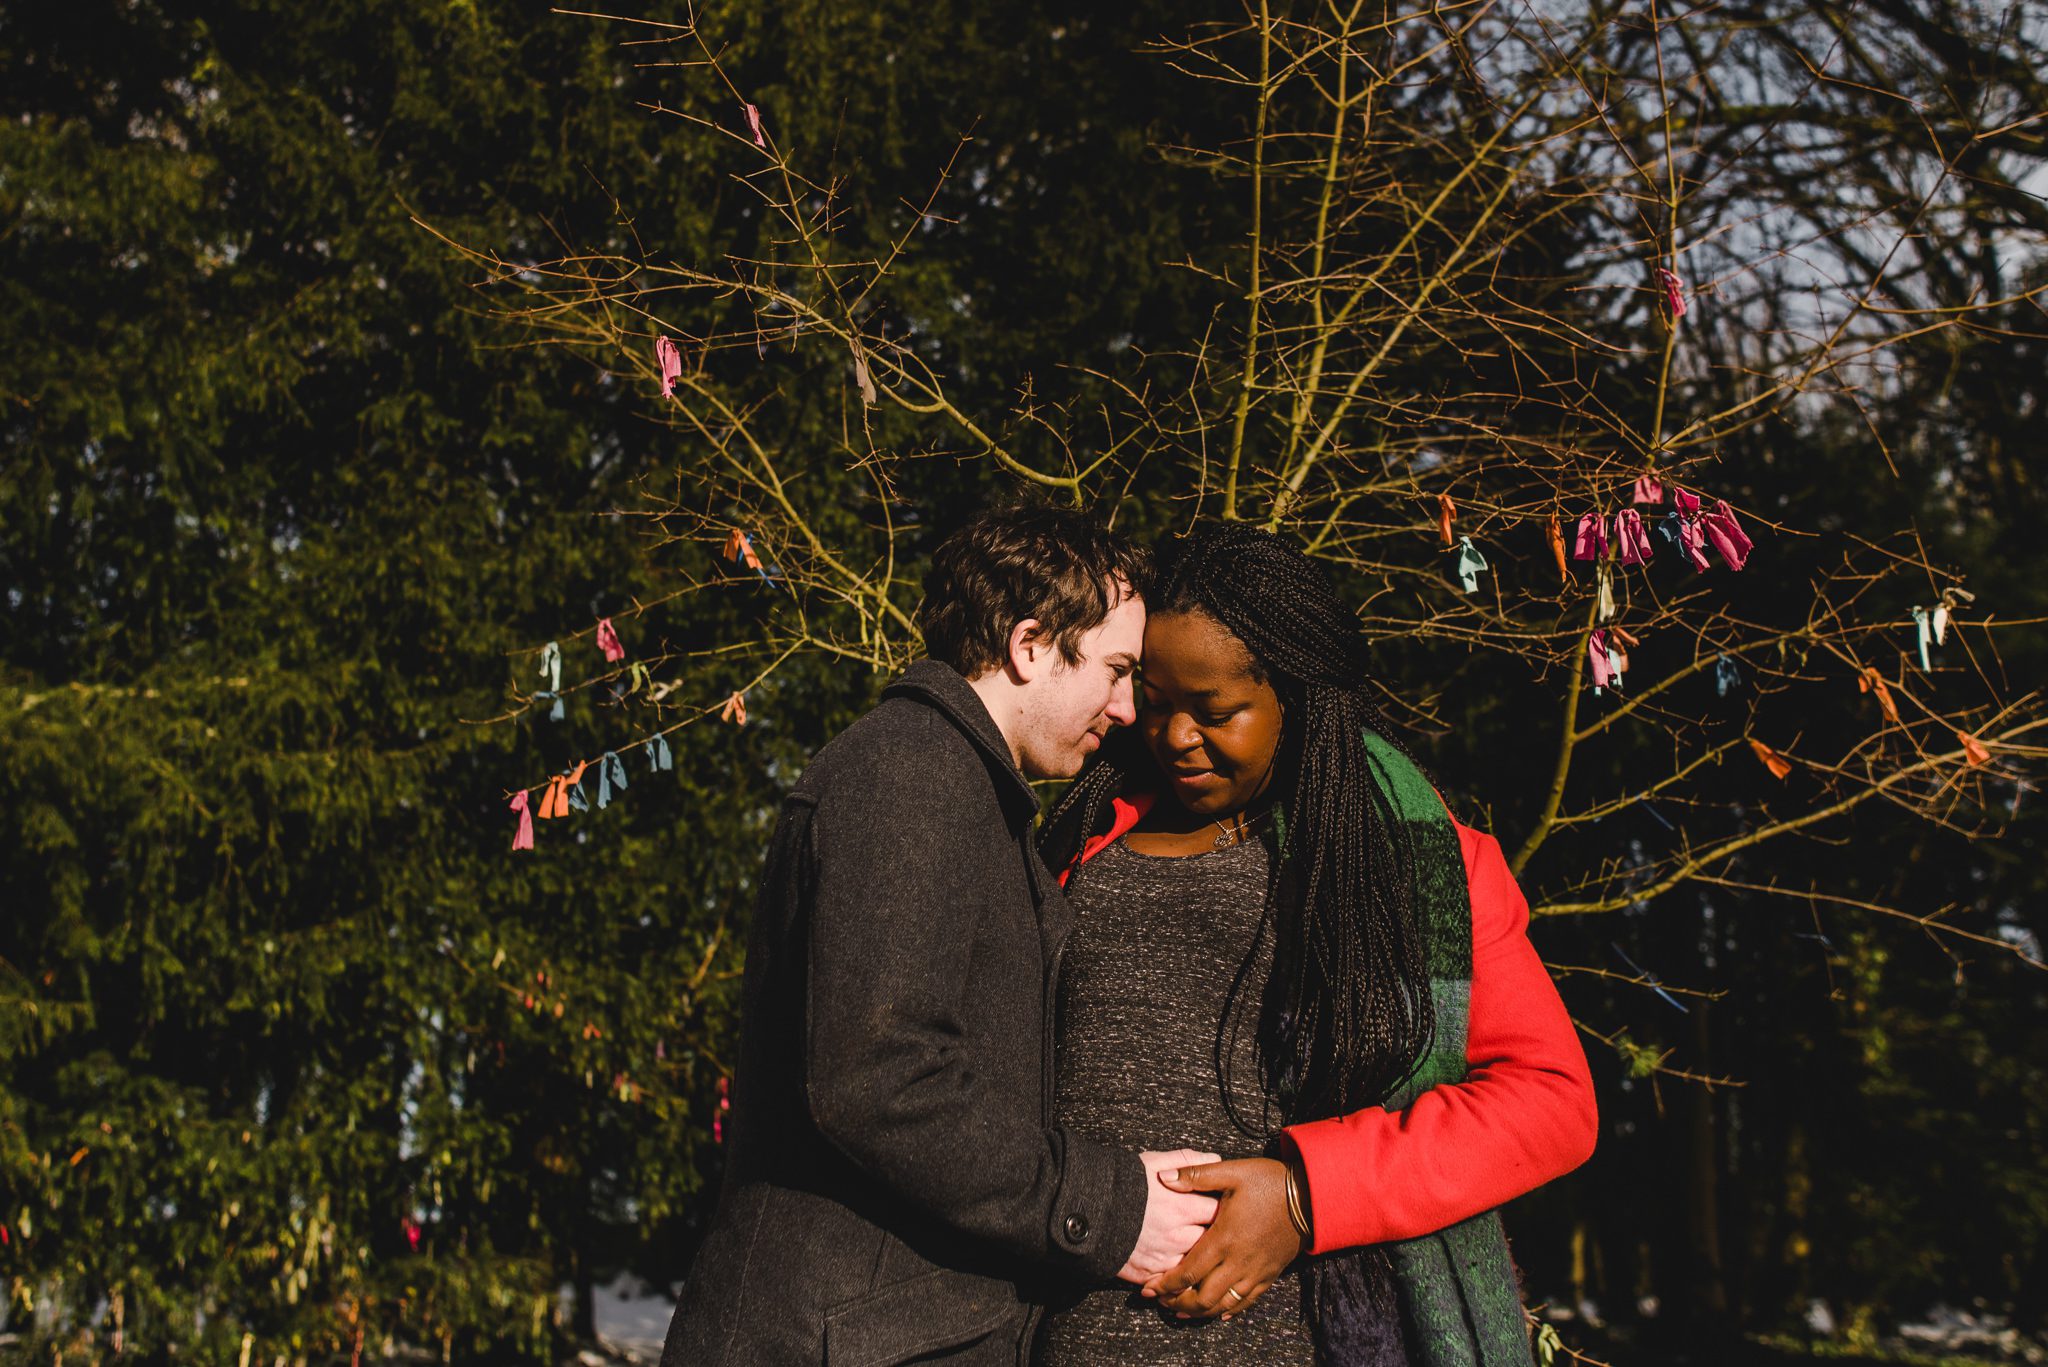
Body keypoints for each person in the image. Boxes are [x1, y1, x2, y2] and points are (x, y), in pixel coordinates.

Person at [662, 507, 1220, 1366]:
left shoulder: (963, 789)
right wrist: (1108, 1209)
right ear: (1031, 644)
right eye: (1115, 669)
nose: (1125, 706)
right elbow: (878, 1074)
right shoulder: (910, 774)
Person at [1034, 522, 1600, 1365]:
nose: (1176, 736)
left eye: (1215, 711)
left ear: (1295, 699)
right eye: (1153, 704)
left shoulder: (1409, 864)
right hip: (1054, 1335)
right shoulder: (1076, 836)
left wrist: (1308, 1193)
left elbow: (1552, 1101)